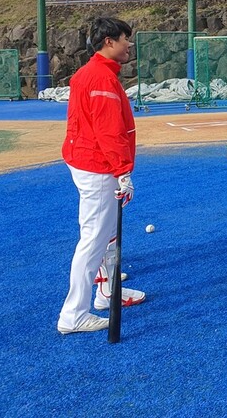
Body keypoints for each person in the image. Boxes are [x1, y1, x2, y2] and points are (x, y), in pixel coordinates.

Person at [58, 17, 146, 335]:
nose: (129, 45)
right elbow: (109, 132)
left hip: (89, 162)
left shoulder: (92, 73)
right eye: (125, 39)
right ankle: (73, 314)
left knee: (103, 234)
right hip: (97, 167)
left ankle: (105, 292)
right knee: (94, 240)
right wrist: (123, 172)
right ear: (109, 41)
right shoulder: (101, 79)